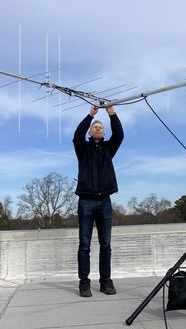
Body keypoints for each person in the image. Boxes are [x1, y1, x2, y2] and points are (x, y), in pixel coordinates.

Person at [73, 104, 124, 297]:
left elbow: (119, 135)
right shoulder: (82, 148)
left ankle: (105, 282)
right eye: (95, 126)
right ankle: (84, 283)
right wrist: (90, 115)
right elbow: (77, 135)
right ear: (90, 131)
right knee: (84, 245)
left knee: (106, 245)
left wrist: (112, 114)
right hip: (86, 201)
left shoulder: (108, 149)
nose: (98, 128)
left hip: (105, 202)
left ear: (103, 133)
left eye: (101, 127)